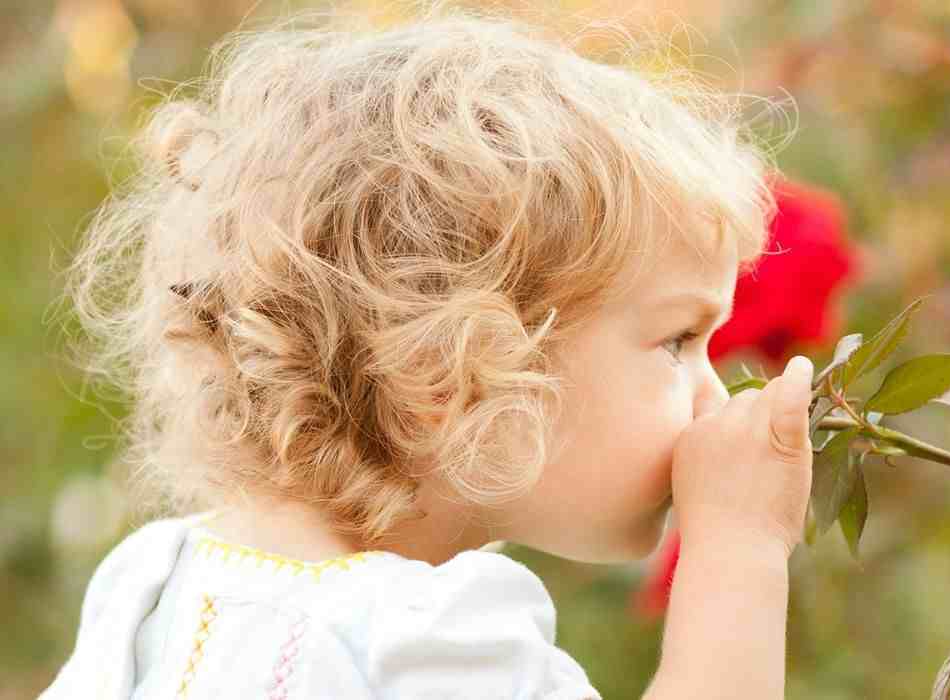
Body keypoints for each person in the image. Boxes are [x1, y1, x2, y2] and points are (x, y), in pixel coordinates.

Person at [47, 6, 811, 698]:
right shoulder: (430, 642)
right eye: (677, 340)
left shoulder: (153, 582)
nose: (714, 398)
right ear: (449, 370)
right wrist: (739, 551)